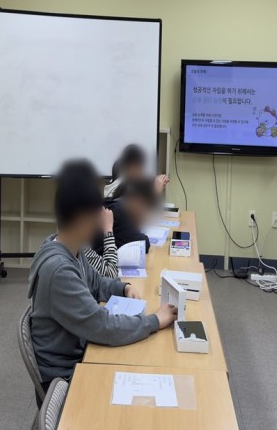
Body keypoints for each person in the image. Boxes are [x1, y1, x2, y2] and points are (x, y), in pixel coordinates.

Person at [27, 159, 177, 395]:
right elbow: (102, 325)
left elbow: (97, 282)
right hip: (66, 375)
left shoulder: (72, 248)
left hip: (79, 352)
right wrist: (155, 321)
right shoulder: (59, 270)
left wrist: (123, 288)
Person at [92, 177, 158, 256]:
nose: (144, 212)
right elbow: (143, 244)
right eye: (145, 206)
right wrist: (137, 223)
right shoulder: (119, 213)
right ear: (137, 200)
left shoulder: (111, 203)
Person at [104, 144, 170, 198]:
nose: (142, 172)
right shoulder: (122, 189)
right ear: (129, 167)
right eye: (139, 167)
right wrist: (156, 191)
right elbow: (141, 209)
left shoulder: (130, 185)